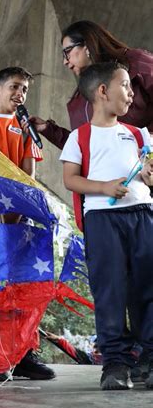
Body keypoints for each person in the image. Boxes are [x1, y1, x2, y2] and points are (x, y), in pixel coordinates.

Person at [60, 62, 153, 390]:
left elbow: (147, 171)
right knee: (110, 290)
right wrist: (105, 187)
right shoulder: (79, 137)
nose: (131, 92)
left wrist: (148, 177)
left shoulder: (139, 134)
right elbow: (70, 179)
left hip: (143, 215)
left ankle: (149, 359)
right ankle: (115, 363)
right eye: (125, 85)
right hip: (102, 219)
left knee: (147, 287)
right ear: (102, 92)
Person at [0, 66, 55, 381]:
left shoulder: (26, 127)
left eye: (25, 90)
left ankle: (23, 355)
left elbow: (28, 176)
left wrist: (16, 211)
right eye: (15, 87)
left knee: (21, 285)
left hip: (16, 212)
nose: (20, 94)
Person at [28, 20, 153, 148]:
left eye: (67, 51)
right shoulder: (80, 99)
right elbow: (85, 149)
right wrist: (48, 130)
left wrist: (147, 143)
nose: (65, 61)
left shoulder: (137, 62)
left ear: (87, 46)